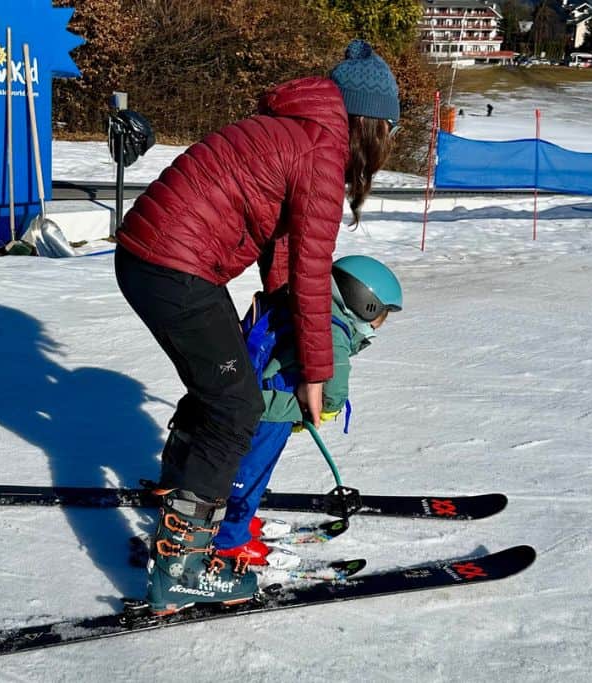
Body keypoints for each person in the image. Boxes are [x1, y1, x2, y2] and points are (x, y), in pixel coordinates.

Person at [114, 39, 400, 615]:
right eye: (388, 132)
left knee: (223, 389)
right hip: (174, 265)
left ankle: (181, 497)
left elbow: (288, 257)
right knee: (236, 407)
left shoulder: (297, 129)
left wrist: (281, 320)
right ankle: (182, 566)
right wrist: (316, 374)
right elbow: (315, 274)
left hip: (153, 257)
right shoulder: (322, 150)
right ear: (370, 123)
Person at [214, 255, 403, 567]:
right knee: (249, 473)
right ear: (363, 302)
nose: (377, 326)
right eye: (380, 316)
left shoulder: (309, 302)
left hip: (258, 399)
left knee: (249, 470)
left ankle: (239, 520)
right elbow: (334, 386)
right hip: (272, 410)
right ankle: (229, 541)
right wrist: (326, 410)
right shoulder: (334, 329)